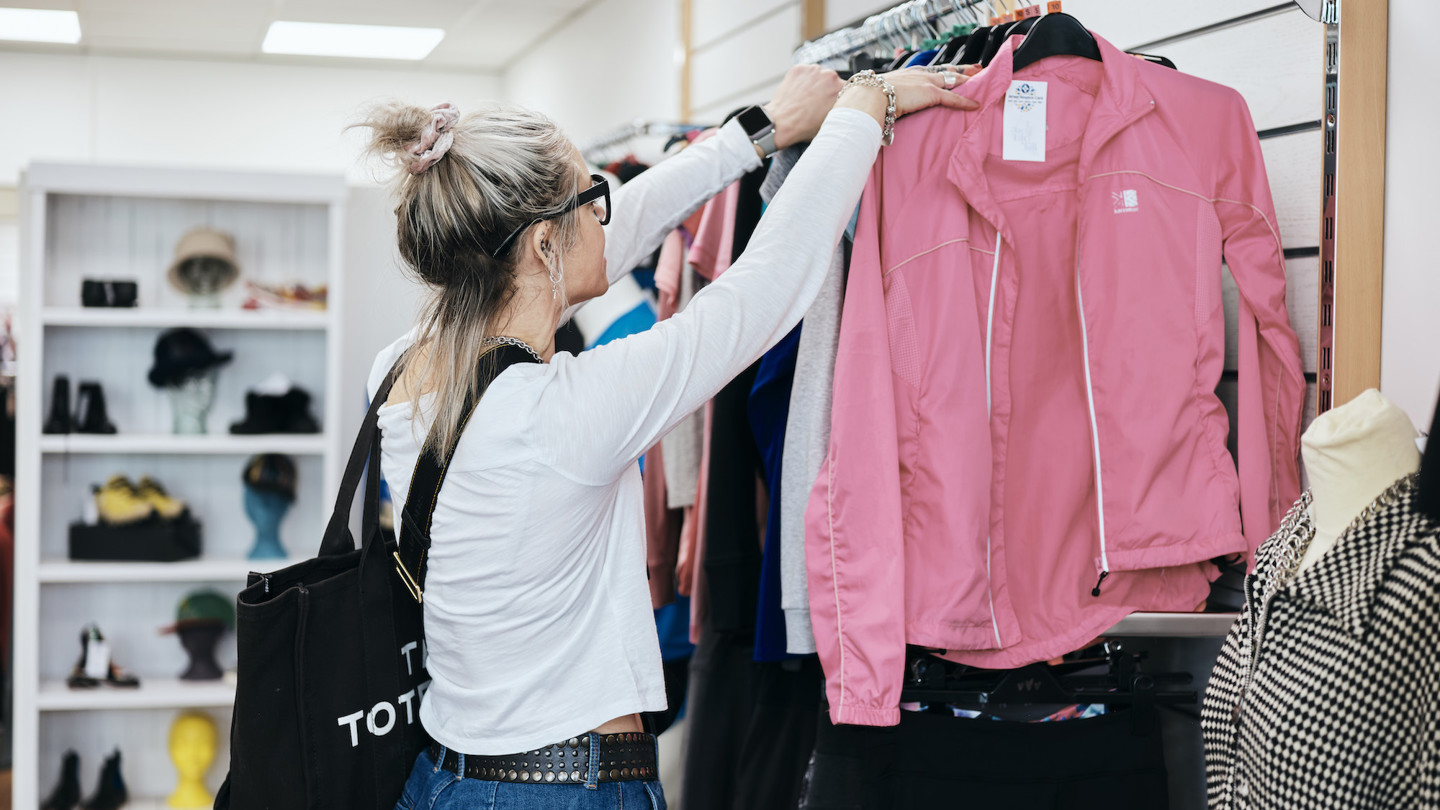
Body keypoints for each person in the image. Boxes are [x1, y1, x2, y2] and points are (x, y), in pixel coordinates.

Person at [357, 63, 978, 810]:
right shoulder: (561, 412)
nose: (609, 216)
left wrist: (763, 133)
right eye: (594, 200)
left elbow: (594, 252)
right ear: (543, 247)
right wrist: (862, 110)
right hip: (564, 789)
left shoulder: (398, 370)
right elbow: (762, 294)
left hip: (446, 779)